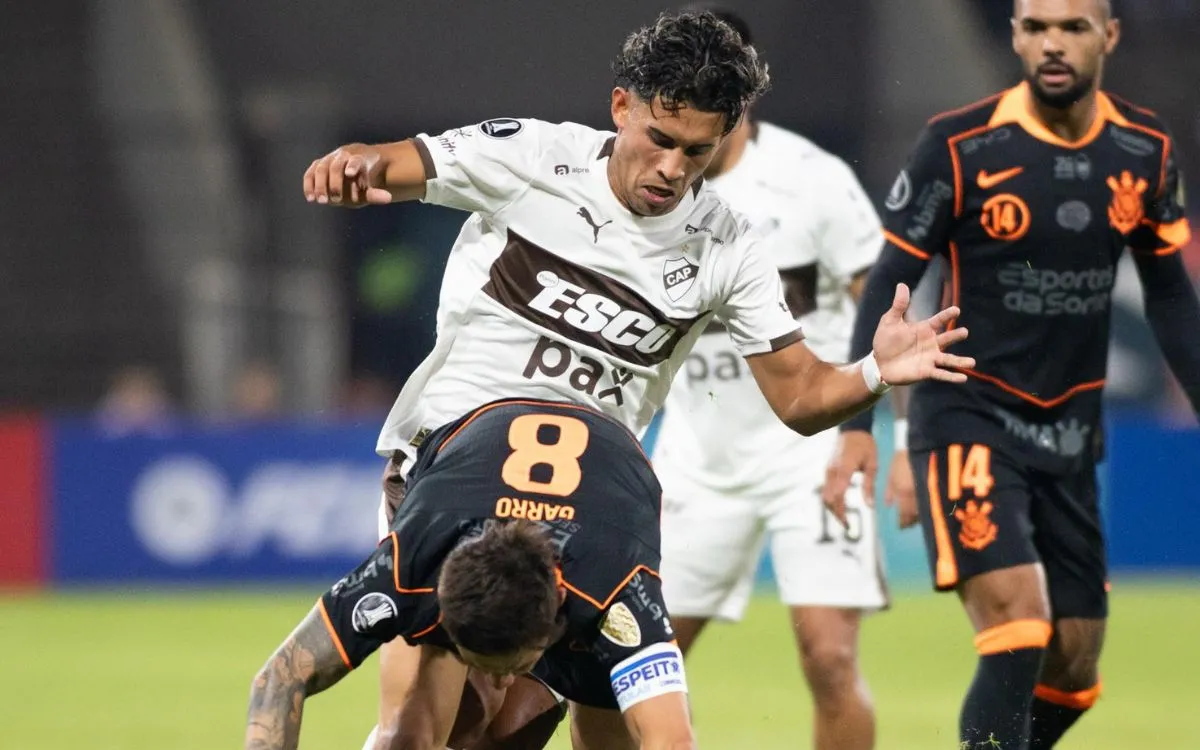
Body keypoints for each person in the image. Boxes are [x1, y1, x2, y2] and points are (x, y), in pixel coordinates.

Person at [245, 11, 974, 750]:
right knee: (424, 726)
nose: (671, 169)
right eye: (660, 138)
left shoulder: (726, 245)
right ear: (622, 106)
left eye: (698, 151)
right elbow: (395, 162)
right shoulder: (532, 156)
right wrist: (353, 165)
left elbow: (801, 396)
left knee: (514, 722)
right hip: (448, 467)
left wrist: (878, 369)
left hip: (583, 503)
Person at [827, 1, 1200, 748]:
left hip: (1070, 435)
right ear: (1016, 36)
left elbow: (1169, 297)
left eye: (1073, 28)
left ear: (1110, 36)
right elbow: (888, 284)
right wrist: (858, 427)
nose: (1052, 44)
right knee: (1018, 627)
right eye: (1035, 28)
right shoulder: (960, 145)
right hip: (968, 419)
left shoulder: (1144, 152)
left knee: (1074, 669)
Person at [650, 8, 889, 750]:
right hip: (695, 457)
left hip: (807, 451)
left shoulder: (812, 181)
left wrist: (873, 435)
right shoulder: (644, 183)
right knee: (641, 660)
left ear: (745, 92)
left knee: (829, 655)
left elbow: (881, 310)